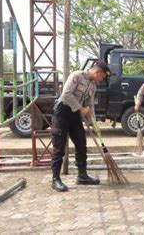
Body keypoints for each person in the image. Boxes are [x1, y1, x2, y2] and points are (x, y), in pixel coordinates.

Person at [51, 60, 111, 192]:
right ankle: (55, 179)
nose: (101, 80)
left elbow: (90, 105)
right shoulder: (76, 76)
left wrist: (93, 123)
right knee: (59, 148)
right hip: (62, 112)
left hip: (74, 115)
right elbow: (66, 94)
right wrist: (80, 108)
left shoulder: (93, 85)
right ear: (97, 72)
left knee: (81, 144)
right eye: (102, 77)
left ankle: (82, 175)